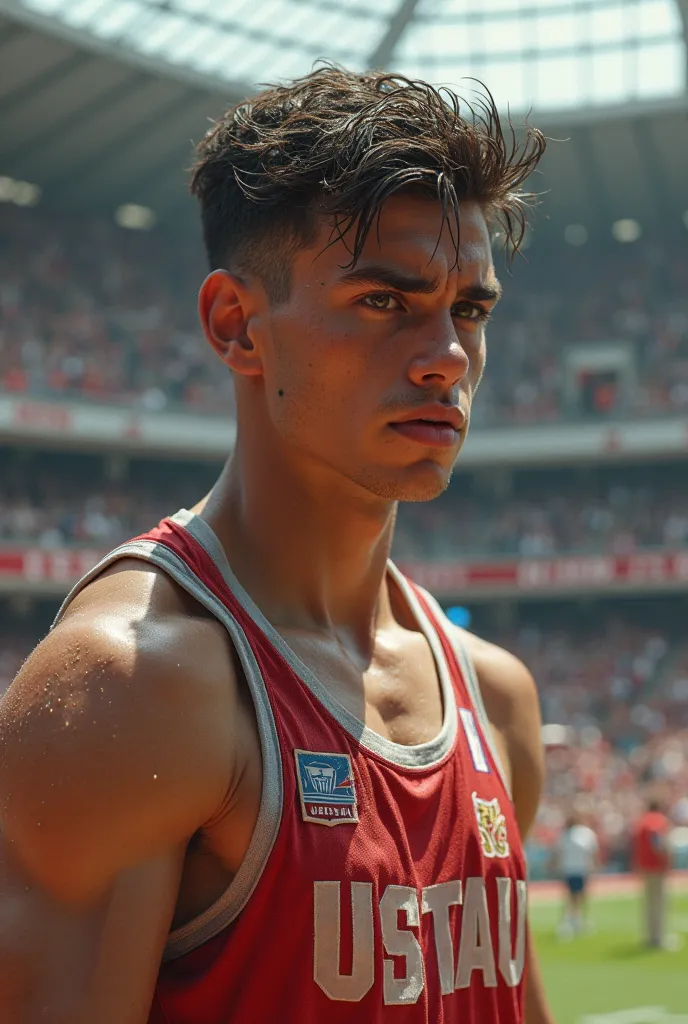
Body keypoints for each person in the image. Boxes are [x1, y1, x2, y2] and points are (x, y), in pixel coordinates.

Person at [0, 67, 553, 1022]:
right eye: (385, 301)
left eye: (470, 309)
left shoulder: (494, 697)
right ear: (235, 325)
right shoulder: (129, 689)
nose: (447, 357)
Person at [633, 798, 673, 948]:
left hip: (645, 866)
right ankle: (659, 938)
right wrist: (666, 858)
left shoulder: (641, 821)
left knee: (649, 903)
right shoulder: (659, 821)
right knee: (659, 902)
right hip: (656, 866)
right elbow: (657, 842)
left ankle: (650, 936)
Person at [552, 812, 599, 939]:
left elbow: (592, 851)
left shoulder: (582, 833)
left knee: (579, 895)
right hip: (571, 869)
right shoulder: (567, 834)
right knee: (573, 895)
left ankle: (577, 919)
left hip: (579, 868)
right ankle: (572, 919)